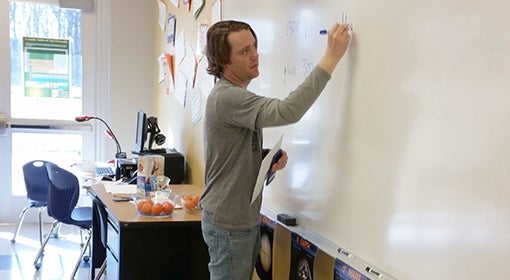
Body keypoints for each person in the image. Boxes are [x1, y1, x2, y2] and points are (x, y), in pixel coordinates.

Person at [200, 20, 351, 279]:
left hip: (235, 219)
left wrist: (264, 163)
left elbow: (230, 162)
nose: (255, 55)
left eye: (255, 47)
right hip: (230, 225)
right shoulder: (227, 97)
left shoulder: (233, 94)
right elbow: (287, 111)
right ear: (224, 62)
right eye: (244, 51)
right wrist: (331, 57)